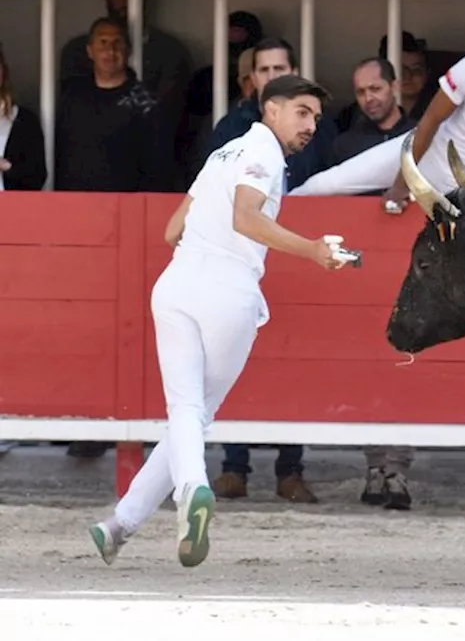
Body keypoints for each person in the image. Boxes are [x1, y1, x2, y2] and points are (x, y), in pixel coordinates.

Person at [88, 74, 354, 569]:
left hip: (176, 284)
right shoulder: (264, 153)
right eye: (301, 112)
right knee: (193, 412)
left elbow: (172, 230)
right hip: (226, 291)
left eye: (315, 117)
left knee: (184, 415)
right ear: (269, 109)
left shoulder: (221, 154)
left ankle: (118, 526)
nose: (311, 125)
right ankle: (192, 491)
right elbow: (247, 219)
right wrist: (313, 251)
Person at [291, 16, 465, 206]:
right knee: (325, 186)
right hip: (430, 150)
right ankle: (273, 211)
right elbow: (430, 121)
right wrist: (402, 182)